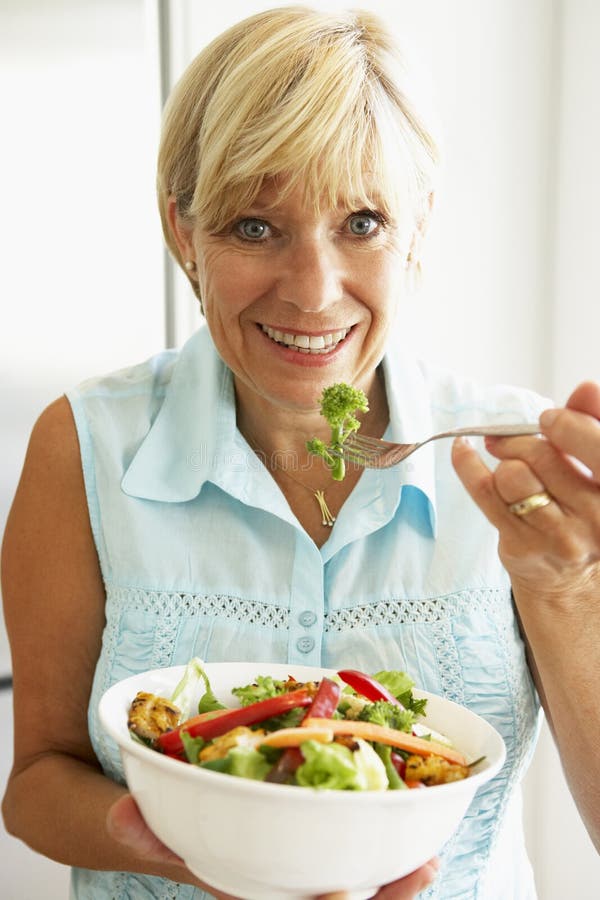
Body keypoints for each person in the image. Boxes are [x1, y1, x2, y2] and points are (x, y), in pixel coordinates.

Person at [2, 6, 599, 899]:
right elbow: (37, 782)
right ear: (183, 233)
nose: (314, 293)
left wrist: (568, 591)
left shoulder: (516, 468)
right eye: (254, 226)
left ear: (418, 227)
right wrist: (185, 842)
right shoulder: (84, 444)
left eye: (361, 222)